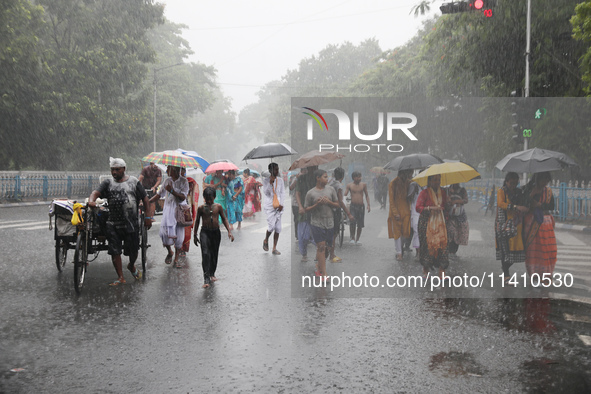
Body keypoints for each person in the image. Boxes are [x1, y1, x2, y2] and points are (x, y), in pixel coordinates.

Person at [89, 157, 151, 286]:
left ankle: (131, 265)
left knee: (133, 251)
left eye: (117, 170)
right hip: (113, 223)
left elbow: (145, 199)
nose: (114, 172)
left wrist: (148, 217)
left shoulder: (134, 182)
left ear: (123, 169)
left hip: (131, 224)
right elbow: (96, 192)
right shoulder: (107, 183)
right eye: (112, 170)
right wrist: (92, 200)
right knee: (115, 251)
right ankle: (120, 277)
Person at [148, 165, 189, 268]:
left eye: (168, 169)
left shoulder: (184, 181)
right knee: (163, 234)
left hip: (179, 211)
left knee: (179, 237)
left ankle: (176, 259)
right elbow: (159, 194)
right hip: (168, 211)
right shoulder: (167, 181)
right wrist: (147, 202)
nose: (166, 170)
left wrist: (172, 191)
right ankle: (170, 251)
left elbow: (183, 197)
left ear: (174, 170)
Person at [194, 187, 234, 288]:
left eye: (211, 199)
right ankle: (206, 278)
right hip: (205, 232)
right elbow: (197, 221)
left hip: (215, 232)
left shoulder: (218, 207)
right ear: (204, 198)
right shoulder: (201, 208)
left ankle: (212, 273)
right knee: (205, 253)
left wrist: (229, 231)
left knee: (214, 253)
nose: (209, 201)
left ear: (214, 197)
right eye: (207, 199)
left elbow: (224, 219)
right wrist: (194, 235)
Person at [305, 169, 339, 279]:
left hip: (329, 222)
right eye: (325, 177)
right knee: (321, 247)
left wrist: (329, 202)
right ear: (318, 178)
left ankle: (318, 265)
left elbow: (337, 205)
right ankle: (324, 274)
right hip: (316, 223)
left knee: (327, 248)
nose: (327, 179)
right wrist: (317, 204)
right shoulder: (311, 193)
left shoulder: (331, 190)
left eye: (327, 176)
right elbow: (307, 209)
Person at [522, 172, 557, 278]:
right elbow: (523, 202)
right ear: (537, 179)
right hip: (532, 223)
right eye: (543, 180)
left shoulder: (548, 191)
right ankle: (534, 273)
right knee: (534, 250)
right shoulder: (528, 190)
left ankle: (546, 273)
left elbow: (551, 206)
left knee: (548, 249)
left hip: (546, 224)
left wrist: (540, 205)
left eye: (547, 180)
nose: (545, 183)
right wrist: (532, 194)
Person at [495, 172, 528, 282]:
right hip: (504, 224)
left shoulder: (519, 192)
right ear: (507, 181)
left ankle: (505, 268)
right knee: (505, 249)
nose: (513, 185)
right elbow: (501, 204)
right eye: (511, 183)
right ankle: (506, 274)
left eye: (515, 183)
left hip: (517, 225)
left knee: (516, 250)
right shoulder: (502, 191)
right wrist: (515, 206)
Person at [416, 174, 449, 279]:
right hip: (426, 223)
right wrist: (431, 208)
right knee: (427, 246)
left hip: (440, 224)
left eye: (439, 180)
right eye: (435, 180)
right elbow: (418, 207)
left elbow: (445, 206)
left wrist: (448, 203)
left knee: (442, 246)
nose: (437, 182)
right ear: (429, 181)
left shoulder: (443, 193)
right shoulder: (424, 193)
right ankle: (426, 268)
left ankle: (442, 270)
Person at [328, 167, 354, 263]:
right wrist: (348, 213)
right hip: (335, 210)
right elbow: (340, 201)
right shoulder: (339, 186)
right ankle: (331, 255)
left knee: (330, 233)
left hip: (329, 209)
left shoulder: (330, 182)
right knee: (334, 234)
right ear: (342, 176)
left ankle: (330, 253)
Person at [387, 169, 412, 260]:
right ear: (401, 173)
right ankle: (399, 253)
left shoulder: (409, 183)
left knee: (405, 231)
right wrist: (395, 213)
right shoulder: (393, 183)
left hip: (406, 211)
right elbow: (391, 200)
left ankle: (401, 248)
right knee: (397, 233)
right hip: (396, 212)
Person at [296, 165, 318, 261]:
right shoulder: (301, 178)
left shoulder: (319, 178)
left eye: (315, 168)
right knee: (303, 236)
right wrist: (300, 206)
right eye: (311, 168)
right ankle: (304, 254)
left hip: (317, 210)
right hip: (304, 210)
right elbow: (297, 193)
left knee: (318, 235)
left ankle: (319, 253)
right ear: (307, 168)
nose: (312, 170)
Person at [262, 163, 285, 255]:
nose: (277, 171)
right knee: (271, 227)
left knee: (278, 228)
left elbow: (282, 193)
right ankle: (266, 239)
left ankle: (274, 248)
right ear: (271, 171)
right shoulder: (266, 180)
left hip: (279, 206)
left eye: (278, 169)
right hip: (270, 206)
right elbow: (266, 193)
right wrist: (270, 183)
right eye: (275, 169)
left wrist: (281, 204)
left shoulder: (280, 180)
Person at [345, 171, 370, 245]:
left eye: (360, 176)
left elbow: (367, 195)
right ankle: (352, 238)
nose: (360, 178)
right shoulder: (349, 185)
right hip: (353, 206)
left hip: (361, 206)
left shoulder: (363, 185)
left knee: (360, 224)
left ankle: (357, 239)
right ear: (353, 178)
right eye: (358, 177)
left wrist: (368, 205)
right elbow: (345, 195)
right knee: (352, 222)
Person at [446, 183, 470, 256]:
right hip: (450, 216)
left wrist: (457, 201)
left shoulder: (462, 190)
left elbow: (466, 200)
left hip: (460, 216)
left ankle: (454, 251)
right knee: (451, 233)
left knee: (458, 234)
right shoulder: (448, 190)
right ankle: (450, 250)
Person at [180, 167, 199, 258]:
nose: (182, 173)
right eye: (180, 171)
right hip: (177, 207)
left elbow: (192, 193)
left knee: (186, 229)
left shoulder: (189, 181)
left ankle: (184, 248)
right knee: (177, 229)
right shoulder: (174, 182)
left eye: (183, 171)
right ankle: (178, 247)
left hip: (186, 208)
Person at [408, 180, 424, 259]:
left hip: (425, 212)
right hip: (416, 212)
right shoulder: (414, 185)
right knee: (416, 232)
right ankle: (418, 252)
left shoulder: (428, 186)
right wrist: (413, 191)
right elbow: (408, 197)